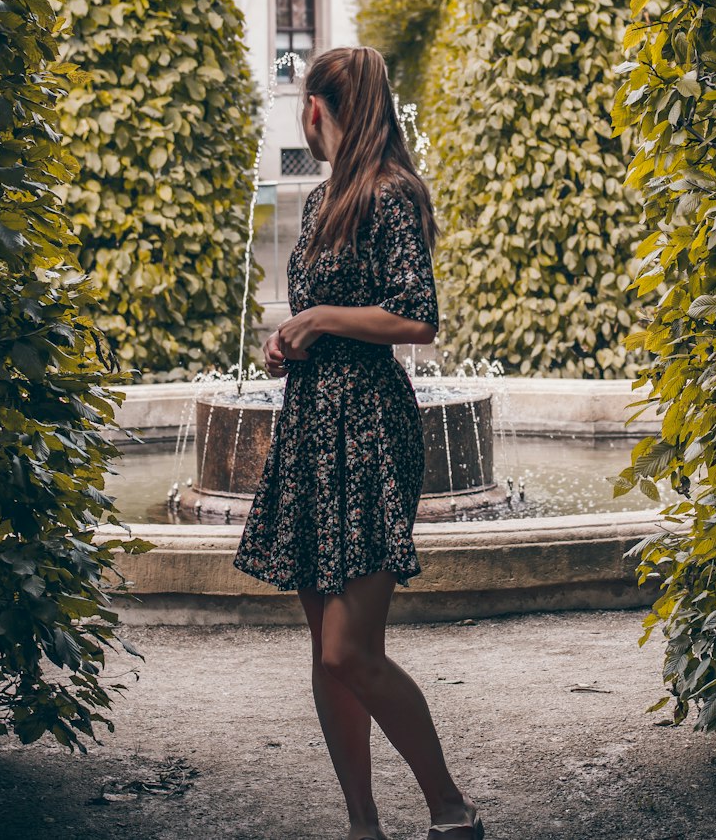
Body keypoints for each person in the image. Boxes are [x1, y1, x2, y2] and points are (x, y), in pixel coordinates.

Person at [233, 46, 484, 840]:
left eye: (308, 106)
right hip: (312, 427)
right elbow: (323, 314)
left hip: (371, 431)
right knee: (323, 646)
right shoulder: (319, 204)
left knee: (349, 648)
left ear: (317, 108)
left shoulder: (392, 194)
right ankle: (362, 824)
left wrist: (320, 319)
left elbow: (418, 317)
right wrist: (289, 339)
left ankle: (450, 806)